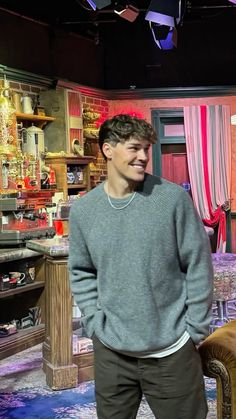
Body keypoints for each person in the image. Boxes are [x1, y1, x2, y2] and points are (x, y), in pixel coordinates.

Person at [68, 114, 214, 419]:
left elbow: (198, 265)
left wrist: (194, 330)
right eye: (135, 148)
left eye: (147, 149)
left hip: (172, 351)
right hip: (112, 352)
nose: (144, 157)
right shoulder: (84, 210)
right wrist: (95, 322)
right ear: (108, 149)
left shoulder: (172, 199)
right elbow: (81, 271)